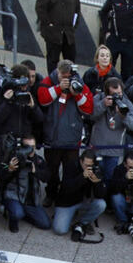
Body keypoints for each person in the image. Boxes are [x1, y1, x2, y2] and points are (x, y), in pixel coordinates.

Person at [37, 59, 91, 200]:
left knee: (70, 172)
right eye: (63, 76)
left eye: (68, 76)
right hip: (52, 139)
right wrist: (58, 88)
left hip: (72, 141)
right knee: (52, 172)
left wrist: (77, 93)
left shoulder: (79, 83)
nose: (66, 79)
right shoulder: (49, 81)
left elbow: (88, 108)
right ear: (58, 72)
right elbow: (43, 99)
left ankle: (66, 198)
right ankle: (51, 194)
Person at [0, 134, 53, 230]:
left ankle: (23, 215)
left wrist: (36, 172)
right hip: (14, 197)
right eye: (28, 147)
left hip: (31, 200)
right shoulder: (13, 158)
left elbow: (47, 177)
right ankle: (13, 218)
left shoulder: (38, 160)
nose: (31, 150)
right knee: (17, 213)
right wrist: (9, 169)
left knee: (45, 224)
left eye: (33, 147)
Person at [90, 76, 133, 180]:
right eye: (114, 94)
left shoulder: (126, 103)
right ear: (107, 93)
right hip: (98, 148)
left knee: (110, 178)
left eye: (120, 93)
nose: (118, 97)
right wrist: (103, 105)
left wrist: (123, 116)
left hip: (115, 151)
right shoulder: (98, 98)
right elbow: (90, 115)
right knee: (94, 177)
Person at [53, 148, 108, 238]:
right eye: (86, 165)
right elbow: (66, 189)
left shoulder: (96, 168)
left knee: (101, 204)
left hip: (84, 200)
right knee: (60, 230)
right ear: (81, 161)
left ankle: (82, 223)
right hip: (68, 202)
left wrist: (97, 182)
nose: (88, 168)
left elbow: (101, 195)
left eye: (90, 165)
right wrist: (82, 177)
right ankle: (70, 215)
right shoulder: (70, 165)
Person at [36, 0, 81, 74]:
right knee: (52, 61)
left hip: (68, 35)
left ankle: (72, 80)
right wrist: (48, 24)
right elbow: (40, 9)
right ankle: (53, 82)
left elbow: (77, 12)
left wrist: (73, 27)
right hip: (53, 35)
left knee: (71, 61)